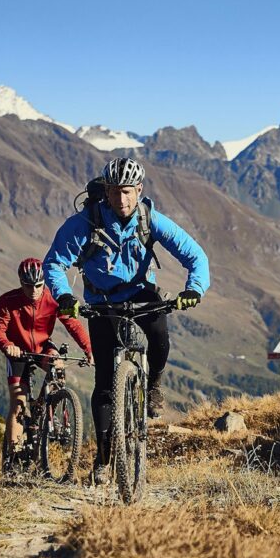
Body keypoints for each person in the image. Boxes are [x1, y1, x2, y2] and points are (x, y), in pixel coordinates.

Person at [44, 157, 209, 484]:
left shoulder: (151, 219)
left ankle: (154, 384)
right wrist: (64, 296)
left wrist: (195, 288)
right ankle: (104, 459)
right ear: (106, 190)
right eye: (116, 192)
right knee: (105, 382)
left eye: (128, 192)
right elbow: (54, 264)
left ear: (139, 190)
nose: (122, 200)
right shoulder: (85, 223)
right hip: (102, 303)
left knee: (160, 337)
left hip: (141, 294)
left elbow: (195, 256)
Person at [0, 257, 93, 473]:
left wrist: (88, 349)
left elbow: (72, 324)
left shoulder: (53, 299)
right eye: (29, 286)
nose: (34, 290)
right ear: (21, 282)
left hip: (42, 346)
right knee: (18, 402)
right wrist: (7, 345)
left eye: (38, 285)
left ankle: (50, 409)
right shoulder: (8, 301)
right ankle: (13, 459)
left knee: (58, 366)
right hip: (17, 352)